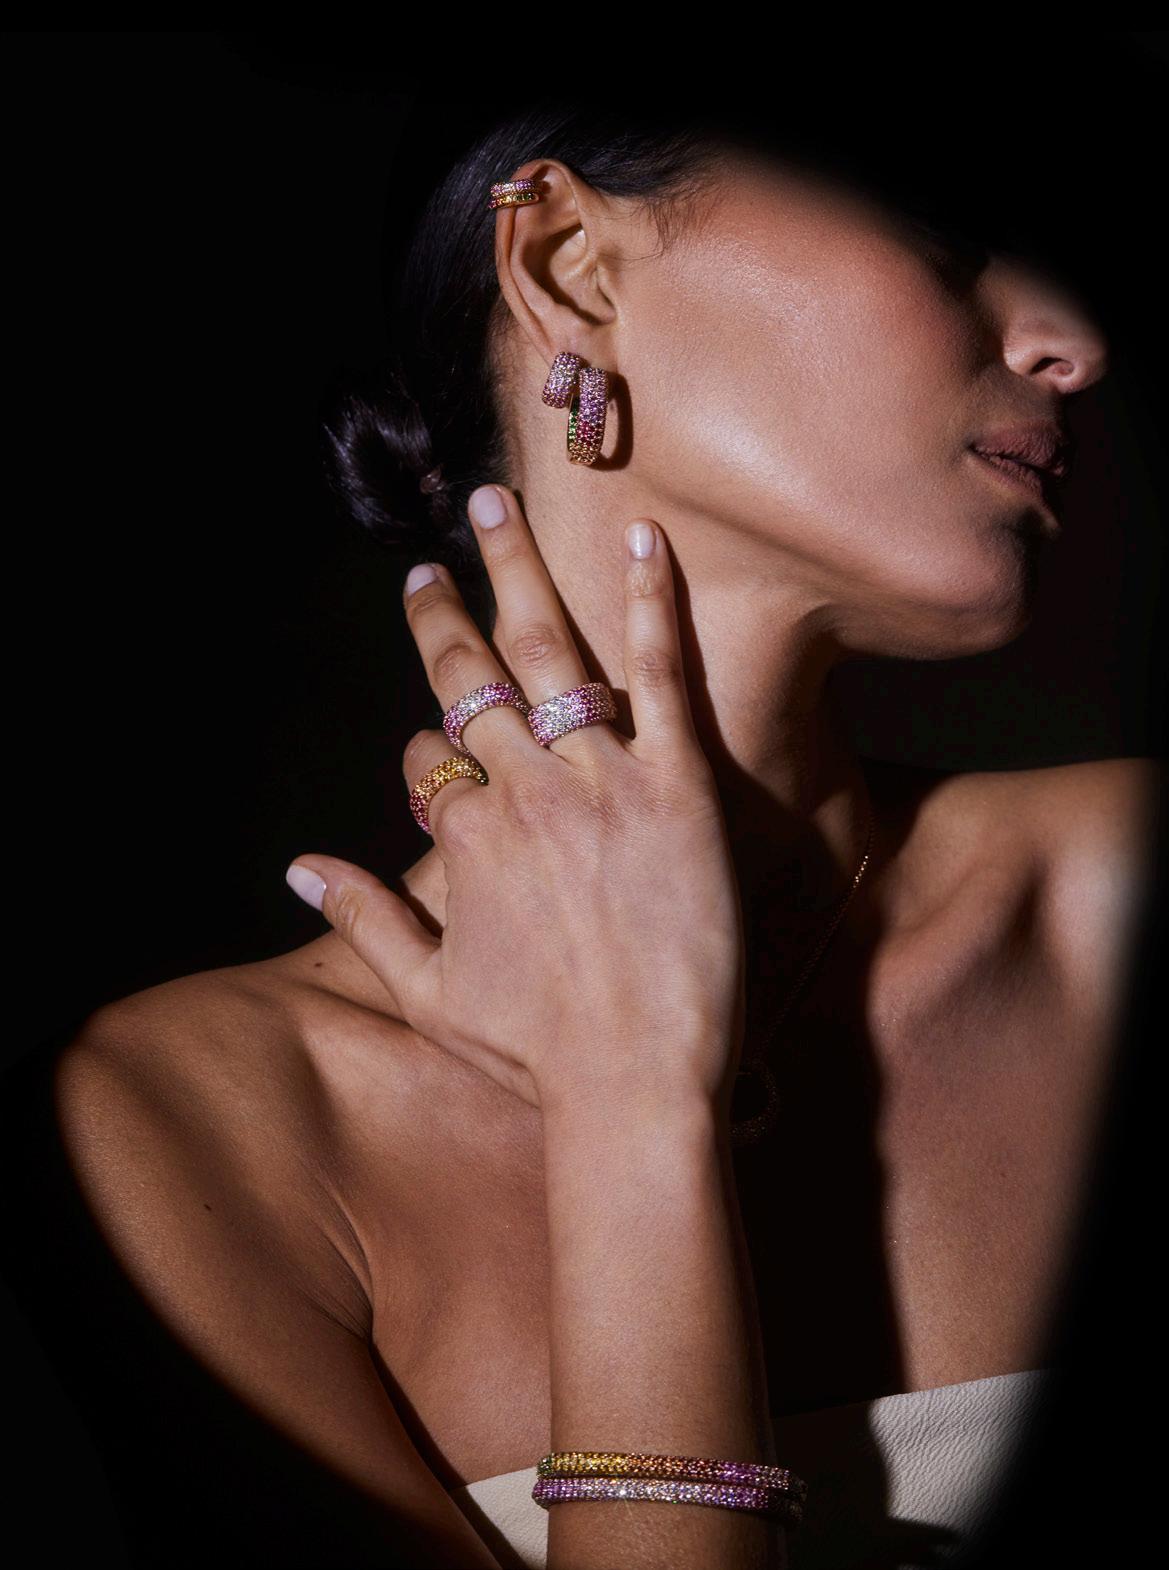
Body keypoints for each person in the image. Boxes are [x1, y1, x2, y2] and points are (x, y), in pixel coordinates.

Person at [11, 92, 1162, 1569]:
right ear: (565, 263)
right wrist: (632, 1098)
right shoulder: (192, 1130)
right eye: (946, 236)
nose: (1070, 338)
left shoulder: (1116, 899)